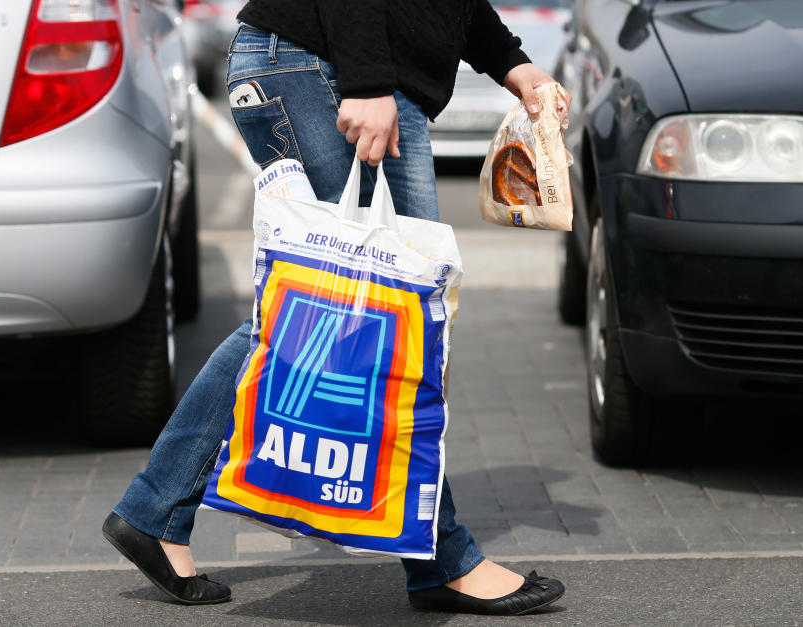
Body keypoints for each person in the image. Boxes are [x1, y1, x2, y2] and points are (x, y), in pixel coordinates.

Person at [103, 0, 570, 616]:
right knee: (370, 309)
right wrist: (369, 81)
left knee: (329, 306)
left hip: (332, 67)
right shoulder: (360, 78)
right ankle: (444, 562)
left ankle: (156, 510)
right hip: (324, 68)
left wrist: (512, 63)